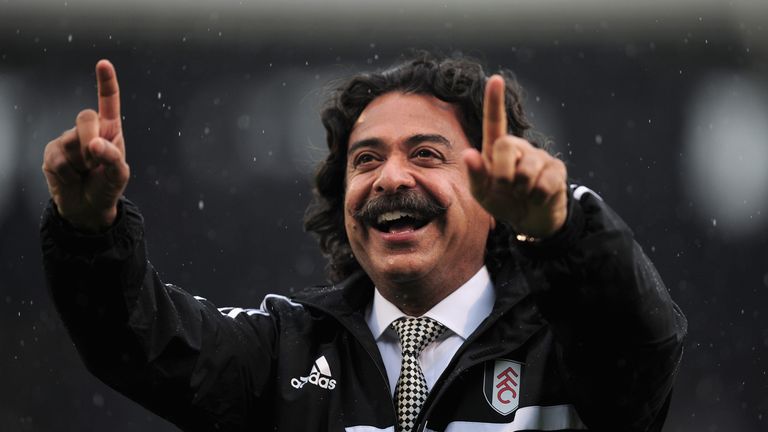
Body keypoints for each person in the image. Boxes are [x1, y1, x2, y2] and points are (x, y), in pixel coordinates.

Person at [41, 52, 686, 431]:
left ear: (492, 194)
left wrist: (559, 228)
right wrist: (89, 230)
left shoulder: (569, 351)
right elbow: (135, 339)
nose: (390, 178)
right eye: (366, 159)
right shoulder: (282, 354)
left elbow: (642, 334)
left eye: (426, 154)